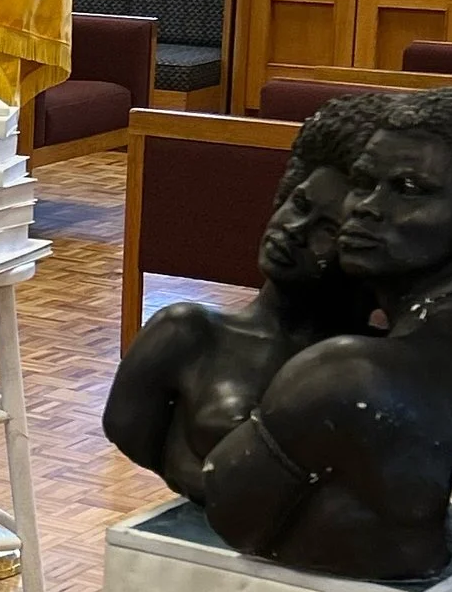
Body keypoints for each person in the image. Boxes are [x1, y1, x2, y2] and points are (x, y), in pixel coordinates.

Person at [200, 88, 452, 581]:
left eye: (410, 188)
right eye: (365, 181)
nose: (366, 208)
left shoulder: (347, 377)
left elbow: (229, 510)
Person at [103, 95, 384, 502]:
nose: (294, 229)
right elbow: (128, 429)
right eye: (298, 204)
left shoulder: (380, 367)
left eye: (327, 228)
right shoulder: (186, 334)